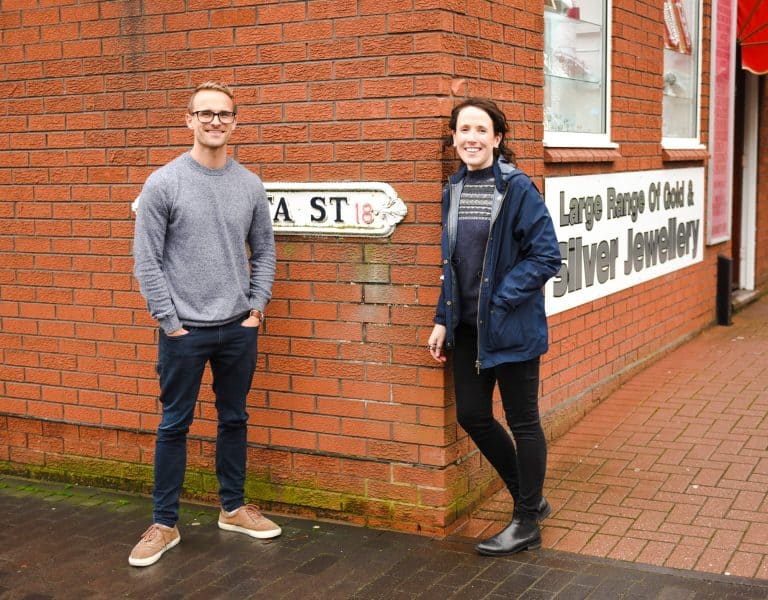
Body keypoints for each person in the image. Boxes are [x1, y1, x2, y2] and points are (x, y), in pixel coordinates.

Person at [130, 81, 279, 567]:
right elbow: (147, 261)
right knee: (174, 424)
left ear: (235, 122)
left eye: (224, 114)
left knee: (234, 419)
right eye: (205, 113)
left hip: (239, 327)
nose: (215, 121)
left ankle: (233, 508)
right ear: (188, 120)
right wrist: (169, 321)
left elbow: (265, 251)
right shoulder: (164, 182)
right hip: (184, 332)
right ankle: (163, 524)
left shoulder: (249, 184)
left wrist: (257, 308)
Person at [428, 98, 561, 556]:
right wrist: (443, 319)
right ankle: (532, 498)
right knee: (472, 414)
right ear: (454, 137)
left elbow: (547, 256)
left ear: (498, 138)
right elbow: (454, 265)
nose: (471, 138)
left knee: (523, 421)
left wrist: (500, 298)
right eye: (463, 129)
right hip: (467, 329)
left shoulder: (518, 188)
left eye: (481, 130)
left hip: (511, 326)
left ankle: (526, 521)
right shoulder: (454, 188)